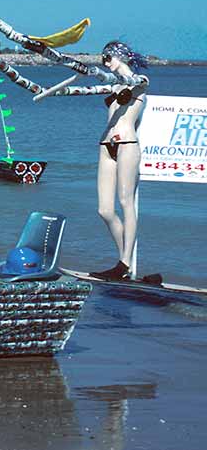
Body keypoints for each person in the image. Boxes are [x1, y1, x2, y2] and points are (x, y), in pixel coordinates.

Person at [92, 41, 149, 281]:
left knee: (126, 202)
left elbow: (141, 83)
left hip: (126, 144)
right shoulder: (112, 84)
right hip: (106, 145)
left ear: (119, 56)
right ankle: (122, 259)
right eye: (102, 59)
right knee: (104, 209)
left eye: (107, 57)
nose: (105, 62)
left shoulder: (139, 81)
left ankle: (124, 262)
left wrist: (127, 82)